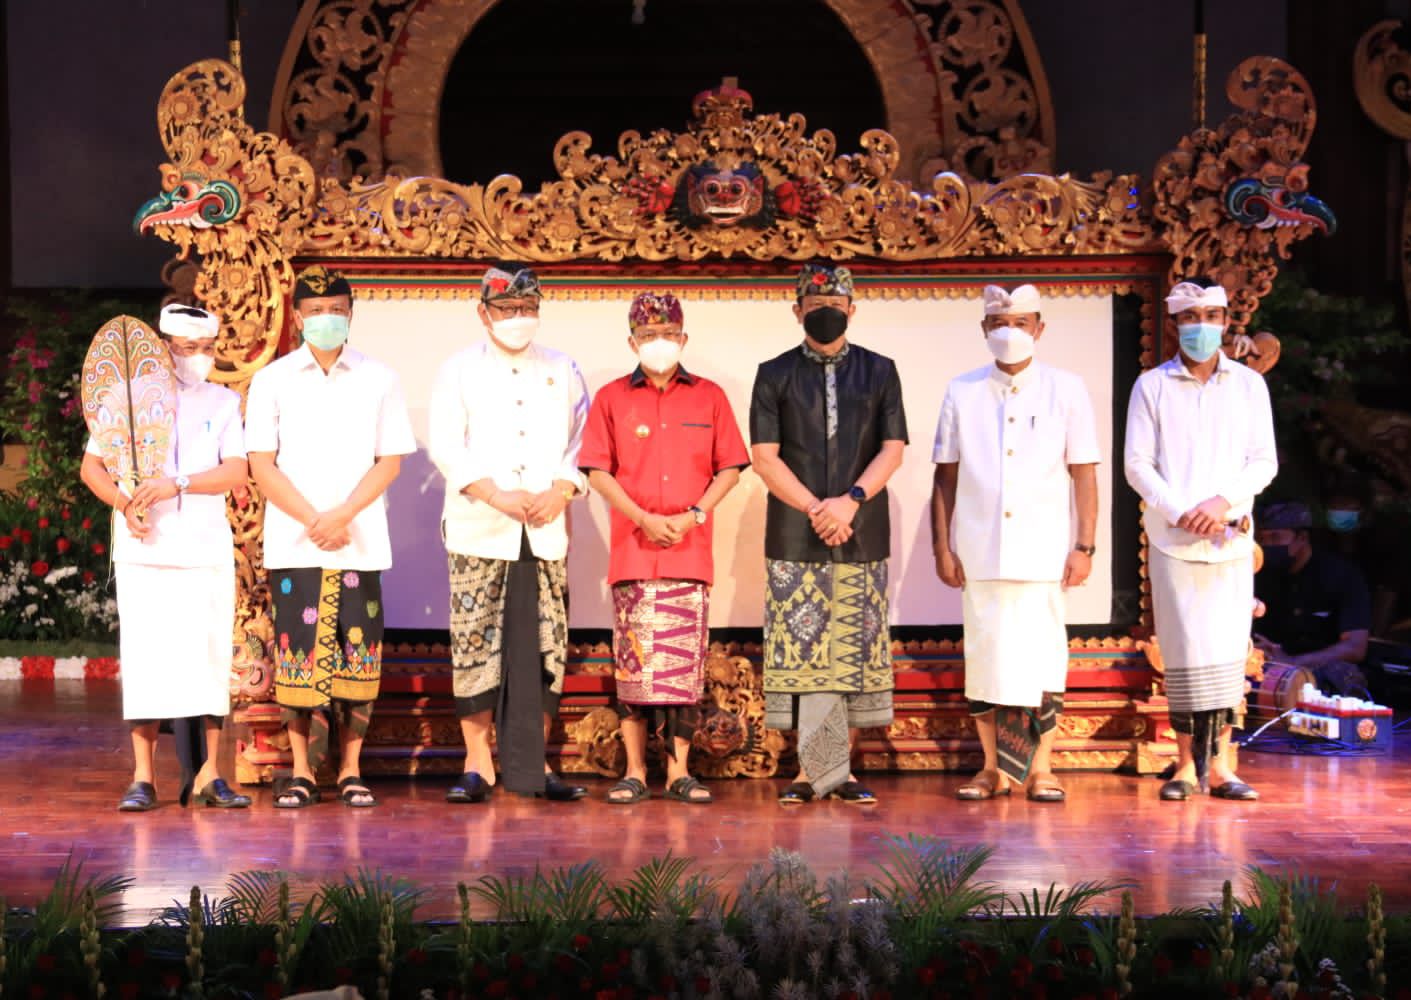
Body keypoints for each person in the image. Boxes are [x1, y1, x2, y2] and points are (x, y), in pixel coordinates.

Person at [246, 266, 416, 809]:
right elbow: (261, 464)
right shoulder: (272, 380)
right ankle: (300, 771)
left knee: (357, 659)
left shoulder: (379, 377)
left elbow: (389, 461)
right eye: (316, 312)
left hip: (358, 540)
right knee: (297, 657)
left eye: (337, 311)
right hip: (296, 542)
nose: (327, 320)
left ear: (351, 315)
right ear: (297, 318)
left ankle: (350, 770)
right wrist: (313, 519)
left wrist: (342, 515)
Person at [79, 303, 252, 811]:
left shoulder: (223, 401)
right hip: (146, 549)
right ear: (164, 346)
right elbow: (92, 468)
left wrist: (177, 483)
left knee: (209, 659)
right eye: (188, 348)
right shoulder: (126, 399)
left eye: (207, 348)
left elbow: (236, 472)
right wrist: (124, 503)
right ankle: (143, 777)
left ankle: (210, 775)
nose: (199, 357)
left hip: (204, 549)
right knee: (148, 660)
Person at [578, 291, 749, 805]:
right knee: (634, 669)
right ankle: (634, 771)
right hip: (633, 552)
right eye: (649, 335)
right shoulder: (611, 398)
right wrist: (642, 518)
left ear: (683, 338)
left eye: (668, 334)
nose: (659, 342)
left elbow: (730, 467)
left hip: (689, 553)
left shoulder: (709, 396)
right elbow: (596, 470)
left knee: (682, 671)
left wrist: (694, 514)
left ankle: (678, 773)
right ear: (632, 342)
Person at [931, 284, 1100, 803]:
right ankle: (992, 769)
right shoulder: (962, 390)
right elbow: (945, 478)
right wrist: (942, 548)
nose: (1010, 333)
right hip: (979, 553)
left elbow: (1084, 473)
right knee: (986, 662)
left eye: (1021, 323)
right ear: (984, 329)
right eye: (1000, 324)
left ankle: (1041, 769)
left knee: (1042, 663)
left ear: (1039, 329)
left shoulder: (1067, 389)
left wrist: (1085, 546)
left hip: (1043, 554)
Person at [427, 263, 589, 803]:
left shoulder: (563, 368)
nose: (519, 318)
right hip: (480, 527)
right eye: (507, 309)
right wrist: (496, 494)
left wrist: (561, 490)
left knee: (545, 647)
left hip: (544, 529)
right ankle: (478, 763)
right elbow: (445, 445)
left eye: (528, 309)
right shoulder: (457, 370)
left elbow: (583, 443)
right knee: (476, 645)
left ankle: (534, 762)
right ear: (484, 313)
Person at [749, 262, 908, 806]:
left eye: (835, 307)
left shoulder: (880, 370)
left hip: (861, 529)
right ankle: (808, 771)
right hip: (796, 532)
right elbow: (764, 458)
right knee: (804, 651)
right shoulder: (773, 373)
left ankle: (843, 771)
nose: (826, 315)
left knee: (854, 651)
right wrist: (817, 507)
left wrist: (850, 501)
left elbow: (893, 449)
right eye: (815, 308)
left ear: (852, 310)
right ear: (798, 311)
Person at [1124, 278, 1277, 801]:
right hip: (1175, 541)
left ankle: (1223, 768)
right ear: (1174, 325)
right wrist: (1181, 511)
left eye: (1211, 317)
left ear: (1226, 322)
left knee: (1228, 651)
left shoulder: (1248, 385)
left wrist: (1221, 504)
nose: (1202, 327)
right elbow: (1137, 464)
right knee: (1184, 651)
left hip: (1229, 539)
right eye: (1191, 318)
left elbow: (1263, 462)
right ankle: (1187, 765)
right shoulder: (1152, 386)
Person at [1254, 501, 1371, 697]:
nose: (1269, 546)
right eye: (1263, 539)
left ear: (1302, 538)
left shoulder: (1341, 575)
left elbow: (1355, 647)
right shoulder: (1260, 575)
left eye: (1276, 537)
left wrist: (1293, 663)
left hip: (1321, 672)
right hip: (1266, 668)